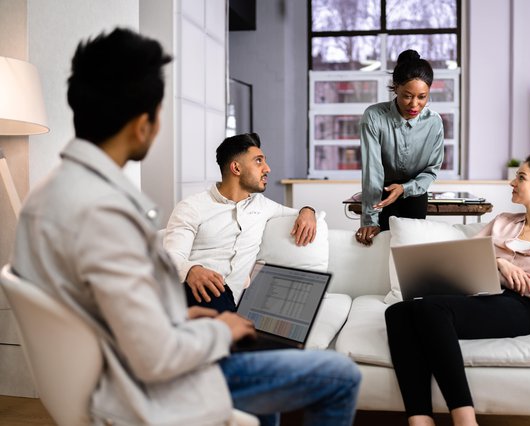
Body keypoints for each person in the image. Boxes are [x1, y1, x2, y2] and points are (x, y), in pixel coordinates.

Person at [11, 28, 360, 426]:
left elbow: (118, 313)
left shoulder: (50, 194)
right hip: (146, 389)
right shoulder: (106, 213)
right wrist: (221, 331)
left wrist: (192, 320)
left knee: (260, 353)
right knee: (340, 375)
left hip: (121, 370)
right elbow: (156, 355)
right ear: (144, 124)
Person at [384, 154, 530, 426]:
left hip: (520, 307)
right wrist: (501, 264)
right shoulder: (504, 221)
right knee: (397, 312)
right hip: (478, 296)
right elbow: (463, 259)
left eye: (521, 177)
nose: (511, 182)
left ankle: (465, 419)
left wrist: (504, 279)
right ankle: (420, 419)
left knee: (430, 309)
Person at [163, 132, 317, 313]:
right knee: (213, 289)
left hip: (231, 302)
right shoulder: (192, 207)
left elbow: (300, 213)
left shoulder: (263, 206)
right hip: (194, 293)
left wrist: (308, 211)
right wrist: (192, 270)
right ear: (236, 168)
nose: (267, 169)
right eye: (259, 161)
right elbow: (169, 258)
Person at [356, 49, 445, 246]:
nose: (414, 104)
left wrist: (405, 188)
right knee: (381, 249)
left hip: (415, 193)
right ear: (395, 88)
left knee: (411, 250)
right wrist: (370, 219)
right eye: (407, 96)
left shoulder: (434, 123)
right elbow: (373, 172)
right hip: (382, 193)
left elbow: (431, 171)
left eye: (422, 97)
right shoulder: (374, 117)